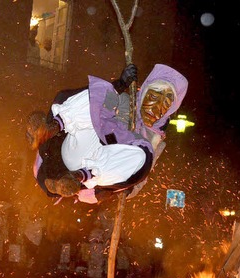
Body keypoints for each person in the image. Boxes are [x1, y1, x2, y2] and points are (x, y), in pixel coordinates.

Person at [30, 64, 188, 204]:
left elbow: (138, 177)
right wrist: (120, 84)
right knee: (100, 94)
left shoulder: (154, 141)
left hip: (90, 173)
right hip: (80, 145)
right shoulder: (124, 101)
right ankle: (53, 127)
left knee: (143, 157)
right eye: (153, 97)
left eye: (166, 105)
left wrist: (126, 190)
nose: (155, 109)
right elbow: (101, 102)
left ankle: (73, 179)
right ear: (145, 91)